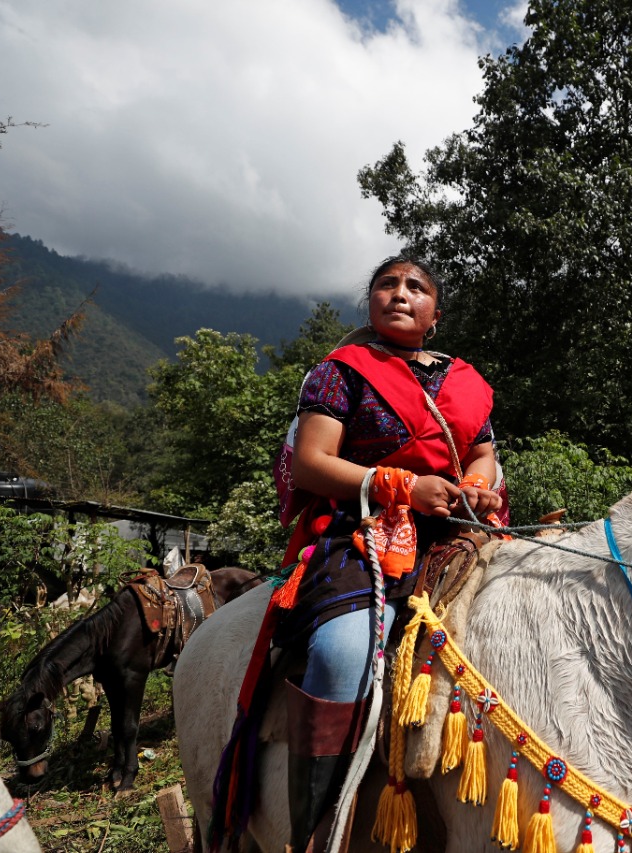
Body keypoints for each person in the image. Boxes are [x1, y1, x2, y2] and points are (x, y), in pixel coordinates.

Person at [228, 256, 505, 853]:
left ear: (435, 313)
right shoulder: (339, 372)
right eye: (387, 284)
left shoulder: (465, 381)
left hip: (456, 533)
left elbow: (482, 452)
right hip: (364, 534)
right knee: (341, 654)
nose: (400, 293)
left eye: (416, 287)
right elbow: (312, 462)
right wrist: (399, 485)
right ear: (371, 302)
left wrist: (477, 486)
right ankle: (316, 831)